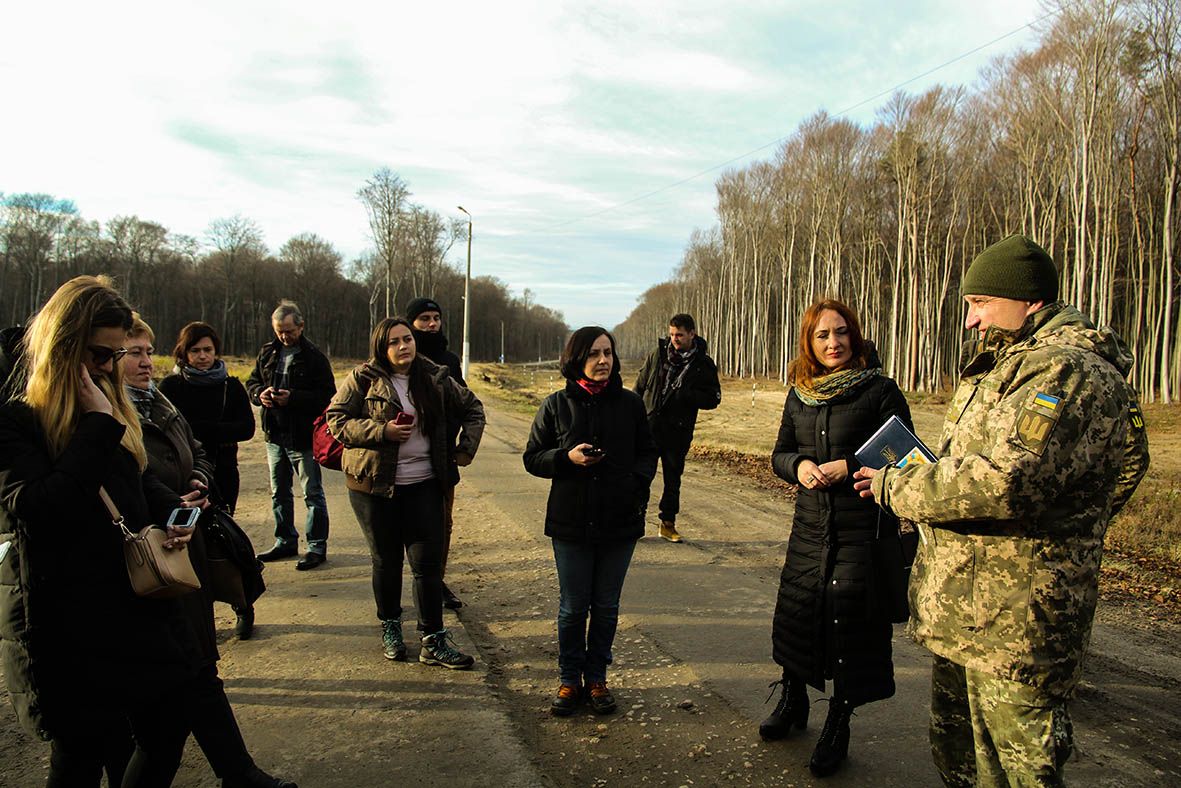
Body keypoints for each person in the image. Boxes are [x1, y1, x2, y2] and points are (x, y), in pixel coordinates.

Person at [853, 235, 1150, 788]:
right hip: (971, 609)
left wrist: (902, 485)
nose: (970, 321)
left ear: (1029, 300)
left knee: (1018, 770)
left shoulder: (1064, 372)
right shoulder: (1007, 362)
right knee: (961, 759)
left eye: (980, 303)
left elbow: (1007, 482)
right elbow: (979, 465)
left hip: (1018, 619)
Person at [0, 275, 202, 786]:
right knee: (84, 753)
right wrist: (96, 426)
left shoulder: (109, 404)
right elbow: (41, 509)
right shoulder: (17, 423)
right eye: (99, 354)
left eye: (115, 355)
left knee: (170, 719)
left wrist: (172, 514)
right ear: (61, 345)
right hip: (65, 623)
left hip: (133, 603)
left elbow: (134, 478)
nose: (109, 368)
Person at [122, 314, 295, 788]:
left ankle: (239, 773)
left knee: (192, 677)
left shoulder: (156, 400)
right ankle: (239, 773)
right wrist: (168, 500)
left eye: (146, 350)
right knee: (180, 691)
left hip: (186, 540)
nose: (145, 361)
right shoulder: (109, 411)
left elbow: (196, 446)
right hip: (146, 558)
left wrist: (199, 477)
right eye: (133, 352)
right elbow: (125, 477)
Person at [759, 299, 912, 778]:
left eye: (841, 332)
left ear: (856, 334)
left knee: (850, 625)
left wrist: (850, 466)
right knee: (800, 613)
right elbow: (781, 452)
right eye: (823, 335)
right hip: (809, 528)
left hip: (862, 530)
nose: (833, 343)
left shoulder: (881, 390)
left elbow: (906, 450)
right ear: (809, 341)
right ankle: (793, 700)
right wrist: (799, 467)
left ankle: (839, 721)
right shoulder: (799, 393)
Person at [325, 317, 485, 669]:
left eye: (407, 339)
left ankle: (433, 639)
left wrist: (464, 449)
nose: (403, 346)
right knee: (386, 561)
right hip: (374, 488)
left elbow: (474, 409)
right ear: (382, 348)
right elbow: (335, 420)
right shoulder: (363, 378)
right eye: (394, 341)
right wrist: (382, 432)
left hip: (426, 484)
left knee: (427, 566)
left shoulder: (436, 376)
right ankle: (391, 628)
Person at [523, 326, 657, 717]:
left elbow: (648, 452)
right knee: (572, 607)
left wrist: (635, 483)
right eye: (594, 354)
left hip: (619, 522)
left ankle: (597, 679)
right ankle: (569, 680)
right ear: (576, 359)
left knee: (606, 606)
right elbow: (532, 458)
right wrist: (567, 458)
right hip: (571, 522)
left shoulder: (630, 404)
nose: (603, 361)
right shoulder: (555, 405)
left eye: (608, 353)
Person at [246, 301, 336, 570]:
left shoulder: (314, 358)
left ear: (300, 326)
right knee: (279, 493)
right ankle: (285, 540)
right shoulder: (267, 352)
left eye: (289, 331)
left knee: (312, 493)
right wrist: (259, 395)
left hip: (303, 437)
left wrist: (293, 398)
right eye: (279, 331)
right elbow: (252, 382)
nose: (284, 336)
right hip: (274, 434)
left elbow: (327, 397)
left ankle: (316, 545)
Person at [633, 313, 721, 542]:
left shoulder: (703, 364)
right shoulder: (658, 354)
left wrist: (688, 395)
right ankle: (635, 522)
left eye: (680, 335)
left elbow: (714, 398)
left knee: (673, 482)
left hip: (677, 432)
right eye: (672, 334)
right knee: (642, 477)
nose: (675, 339)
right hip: (649, 428)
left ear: (692, 334)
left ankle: (667, 525)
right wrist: (634, 416)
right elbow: (640, 386)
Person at [159, 321, 256, 514]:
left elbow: (246, 429)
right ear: (184, 353)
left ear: (215, 351)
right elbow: (163, 430)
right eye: (195, 350)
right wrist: (219, 431)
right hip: (184, 472)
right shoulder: (171, 387)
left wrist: (198, 430)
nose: (202, 356)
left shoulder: (232, 387)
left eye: (207, 350)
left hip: (224, 470)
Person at [405, 296, 465, 609]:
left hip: (441, 458)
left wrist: (450, 434)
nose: (431, 324)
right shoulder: (400, 357)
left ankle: (436, 581)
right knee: (407, 526)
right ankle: (415, 582)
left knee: (443, 524)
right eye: (424, 319)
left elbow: (464, 402)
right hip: (403, 458)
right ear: (411, 324)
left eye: (436, 318)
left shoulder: (450, 360)